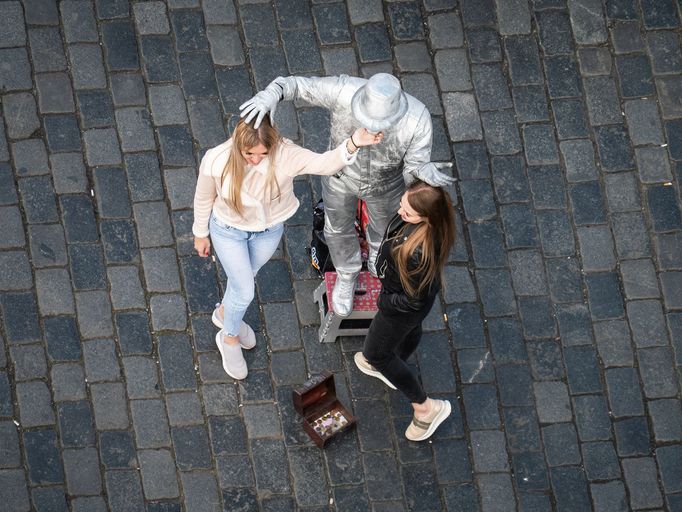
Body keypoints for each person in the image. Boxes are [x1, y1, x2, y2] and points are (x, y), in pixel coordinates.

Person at [239, 73, 454, 318]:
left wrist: (420, 172)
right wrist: (272, 94)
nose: (372, 128)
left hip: (387, 185)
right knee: (336, 228)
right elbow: (296, 85)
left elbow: (413, 168)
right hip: (340, 176)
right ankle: (347, 272)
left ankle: (378, 255)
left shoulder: (418, 119)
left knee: (386, 229)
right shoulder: (344, 91)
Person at [192, 116, 383, 380]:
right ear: (238, 144)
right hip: (227, 230)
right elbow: (204, 197)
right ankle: (229, 337)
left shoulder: (285, 155)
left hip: (267, 232)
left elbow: (323, 163)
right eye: (249, 153)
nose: (256, 159)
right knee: (245, 288)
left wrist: (353, 143)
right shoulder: (217, 159)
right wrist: (200, 233)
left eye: (262, 153)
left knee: (243, 281)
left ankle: (225, 313)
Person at [353, 180, 456, 441]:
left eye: (408, 212)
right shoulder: (423, 227)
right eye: (402, 204)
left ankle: (425, 408)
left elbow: (413, 301)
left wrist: (386, 303)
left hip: (398, 307)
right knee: (409, 330)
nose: (401, 212)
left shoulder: (419, 253)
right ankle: (396, 357)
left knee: (376, 354)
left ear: (427, 218)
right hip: (406, 307)